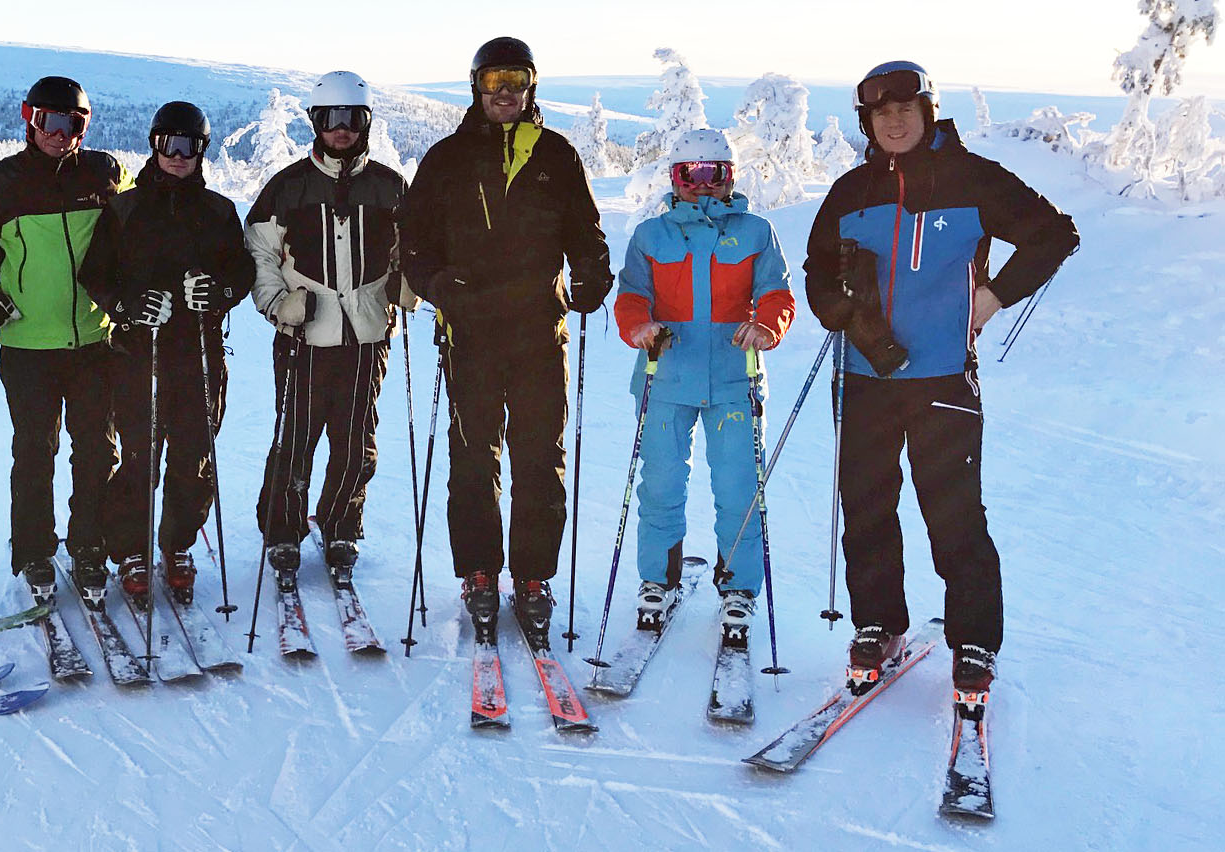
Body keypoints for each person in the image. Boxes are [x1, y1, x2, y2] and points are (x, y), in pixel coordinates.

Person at [804, 61, 1077, 703]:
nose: (895, 121)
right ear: (867, 122)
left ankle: (974, 641)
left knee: (953, 512)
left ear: (928, 112)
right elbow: (818, 270)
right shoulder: (850, 191)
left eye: (907, 108)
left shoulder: (973, 179)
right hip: (864, 375)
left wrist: (995, 295)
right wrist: (832, 306)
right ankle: (879, 625)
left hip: (944, 378)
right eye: (880, 112)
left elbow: (1055, 234)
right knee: (867, 507)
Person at [398, 38, 612, 643]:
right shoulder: (446, 159)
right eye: (494, 81)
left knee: (540, 459)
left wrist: (591, 274)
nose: (505, 93)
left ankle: (534, 577)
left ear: (532, 87)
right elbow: (412, 241)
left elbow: (585, 231)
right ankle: (478, 573)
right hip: (469, 333)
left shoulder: (556, 155)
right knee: (473, 459)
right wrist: (438, 284)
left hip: (540, 332)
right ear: (476, 87)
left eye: (516, 80)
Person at [0, 76, 130, 605]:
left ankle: (89, 547)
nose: (59, 132)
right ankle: (34, 551)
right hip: (27, 344)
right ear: (29, 118)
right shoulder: (0, 183)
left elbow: (140, 224)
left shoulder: (106, 173)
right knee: (35, 452)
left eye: (72, 122)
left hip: (95, 339)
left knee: (97, 450)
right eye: (48, 120)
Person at [613, 128, 795, 643]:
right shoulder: (652, 236)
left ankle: (738, 589)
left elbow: (777, 295)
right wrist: (640, 328)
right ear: (674, 179)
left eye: (713, 173)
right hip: (665, 377)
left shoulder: (756, 232)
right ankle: (657, 581)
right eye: (689, 175)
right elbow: (631, 298)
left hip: (736, 379)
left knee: (739, 487)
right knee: (662, 485)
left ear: (729, 176)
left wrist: (767, 327)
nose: (702, 185)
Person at [80, 101, 254, 604]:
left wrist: (217, 294)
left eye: (188, 147)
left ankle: (177, 545)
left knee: (194, 454)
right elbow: (95, 273)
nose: (177, 157)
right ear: (153, 146)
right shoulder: (125, 209)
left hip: (198, 350)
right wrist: (128, 305)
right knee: (138, 455)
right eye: (167, 145)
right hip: (139, 350)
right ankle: (130, 548)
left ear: (201, 151)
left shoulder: (219, 211)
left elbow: (240, 271)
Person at [245, 71, 412, 593]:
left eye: (353, 119)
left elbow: (415, 247)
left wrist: (409, 285)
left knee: (355, 437)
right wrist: (278, 304)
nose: (342, 129)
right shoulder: (288, 186)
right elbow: (259, 252)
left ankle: (342, 525)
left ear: (365, 123)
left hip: (367, 333)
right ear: (316, 122)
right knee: (295, 436)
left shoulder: (389, 186)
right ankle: (283, 529)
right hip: (304, 332)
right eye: (331, 118)